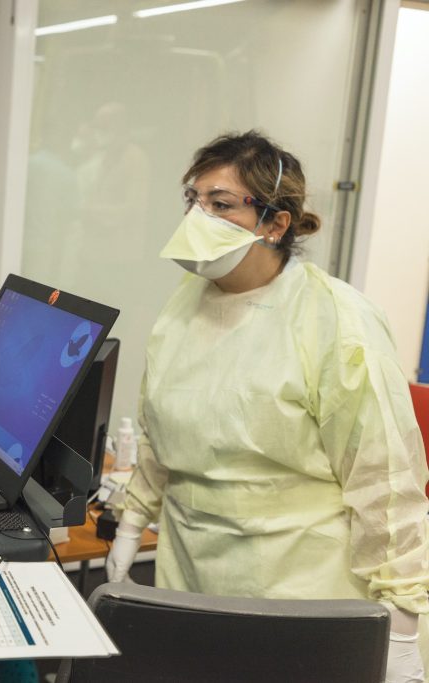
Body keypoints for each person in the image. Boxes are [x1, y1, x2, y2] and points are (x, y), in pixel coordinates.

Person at [106, 131, 429, 681]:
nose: (198, 215)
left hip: (301, 593)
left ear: (275, 224)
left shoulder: (337, 321)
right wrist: (133, 521)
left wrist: (403, 619)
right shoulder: (185, 306)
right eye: (194, 200)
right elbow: (162, 422)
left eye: (221, 204)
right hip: (190, 572)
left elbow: (386, 483)